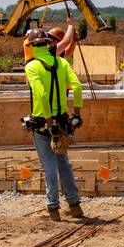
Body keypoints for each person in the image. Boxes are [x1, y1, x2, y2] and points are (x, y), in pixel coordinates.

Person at [23, 26, 85, 221]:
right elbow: (77, 86)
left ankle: (53, 209)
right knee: (63, 162)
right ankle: (75, 206)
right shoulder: (61, 62)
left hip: (43, 122)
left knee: (49, 165)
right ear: (49, 43)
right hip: (63, 121)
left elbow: (40, 94)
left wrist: (48, 119)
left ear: (33, 46)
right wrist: (77, 113)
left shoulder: (32, 66)